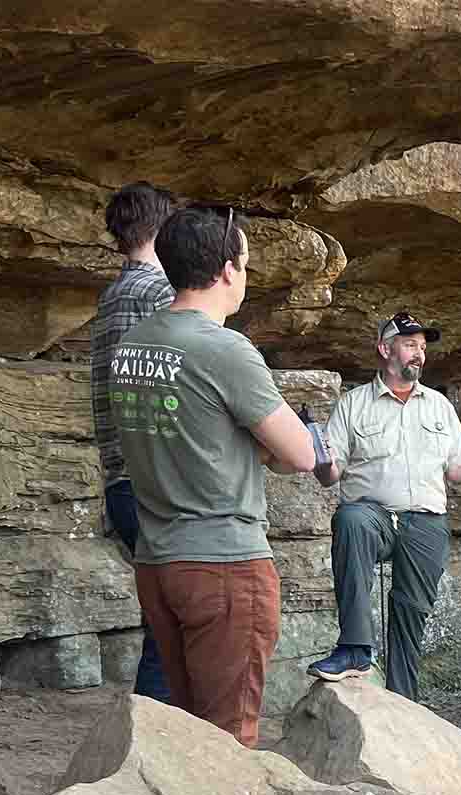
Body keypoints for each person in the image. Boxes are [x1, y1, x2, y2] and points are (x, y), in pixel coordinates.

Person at [110, 204, 323, 747]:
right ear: (227, 270)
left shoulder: (133, 345)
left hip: (159, 561)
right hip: (224, 564)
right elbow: (300, 455)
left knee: (187, 733)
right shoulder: (224, 349)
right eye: (246, 264)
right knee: (228, 740)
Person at [306, 311, 461, 700]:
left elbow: (457, 471)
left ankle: (404, 700)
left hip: (425, 522)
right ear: (385, 349)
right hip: (374, 516)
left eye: (422, 347)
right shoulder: (353, 404)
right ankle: (354, 649)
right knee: (351, 520)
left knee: (410, 611)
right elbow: (330, 474)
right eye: (410, 345)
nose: (419, 354)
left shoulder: (439, 406)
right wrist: (319, 460)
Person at [91, 181, 177, 703]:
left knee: (162, 626)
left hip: (124, 480)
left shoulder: (115, 294)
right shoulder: (157, 294)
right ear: (164, 230)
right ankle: (150, 751)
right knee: (170, 635)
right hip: (151, 482)